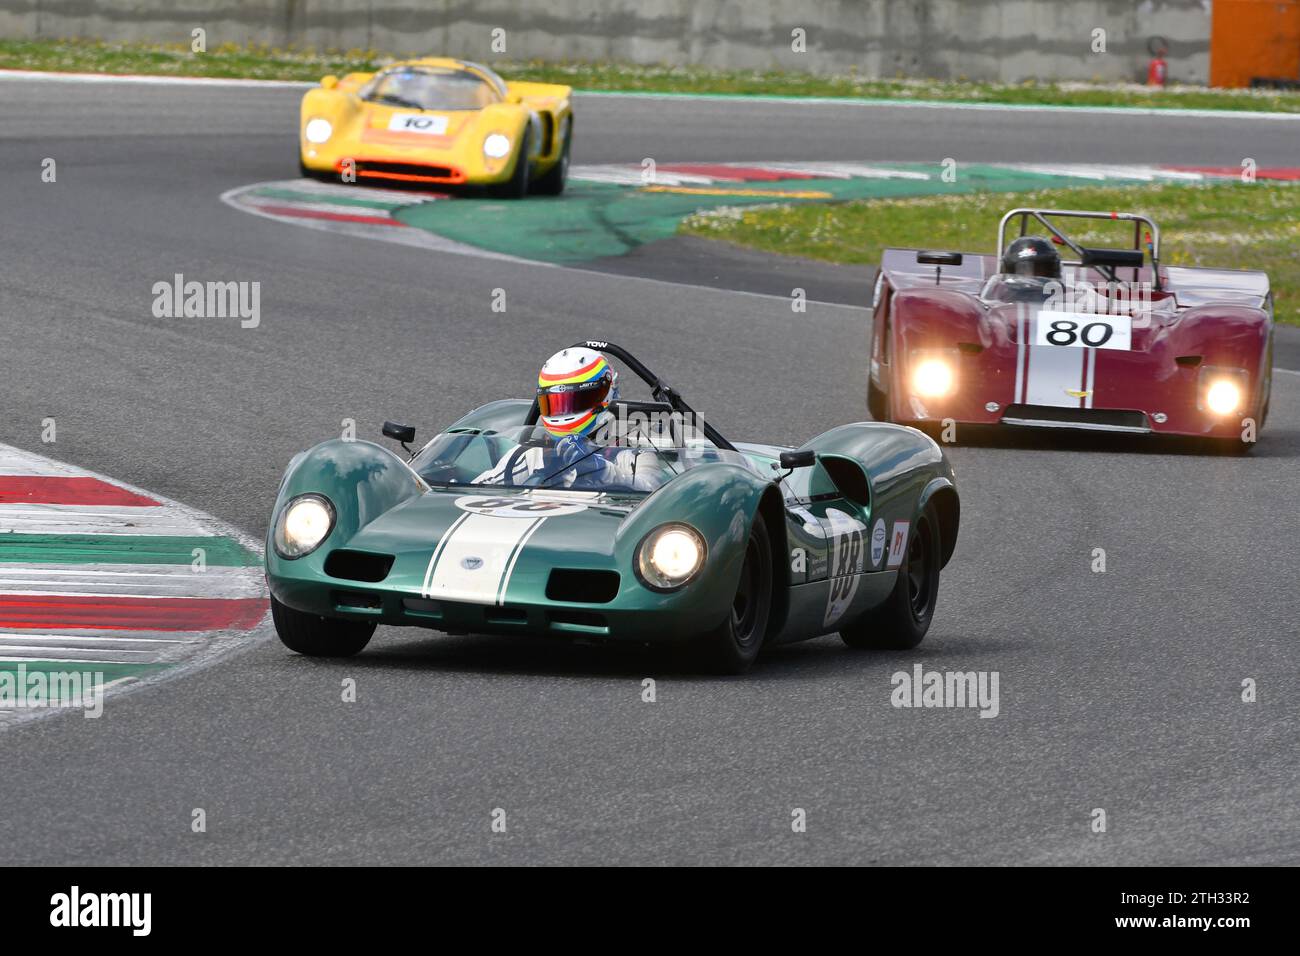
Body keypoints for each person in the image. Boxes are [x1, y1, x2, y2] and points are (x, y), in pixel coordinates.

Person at [472, 348, 668, 491]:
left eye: (575, 401)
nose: (564, 412)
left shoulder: (630, 452)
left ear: (605, 396)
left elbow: (651, 491)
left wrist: (599, 469)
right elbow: (475, 490)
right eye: (556, 403)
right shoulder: (535, 455)